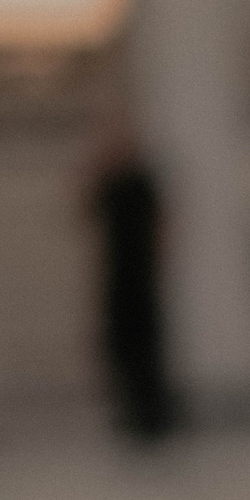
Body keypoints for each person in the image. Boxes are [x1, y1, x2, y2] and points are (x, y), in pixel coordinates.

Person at [91, 127, 182, 444]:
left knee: (147, 342)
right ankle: (129, 409)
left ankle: (153, 412)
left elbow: (161, 221)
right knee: (120, 343)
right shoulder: (109, 182)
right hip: (118, 273)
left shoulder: (142, 181)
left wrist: (161, 259)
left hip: (141, 273)